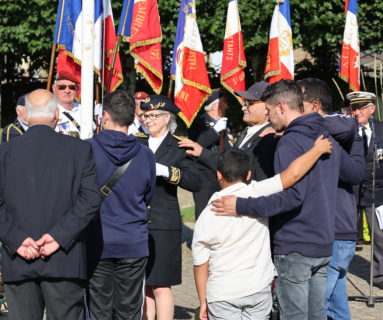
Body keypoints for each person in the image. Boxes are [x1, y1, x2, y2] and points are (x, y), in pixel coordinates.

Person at [212, 80, 342, 319]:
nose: (270, 118)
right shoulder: (325, 136)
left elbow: (290, 196)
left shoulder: (290, 142)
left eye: (270, 111)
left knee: (293, 315)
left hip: (296, 243)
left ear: (281, 107)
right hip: (323, 241)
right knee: (316, 315)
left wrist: (240, 205)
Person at [193, 138, 333, 320]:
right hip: (259, 287)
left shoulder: (207, 213)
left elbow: (200, 263)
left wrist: (203, 300)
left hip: (222, 292)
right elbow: (292, 174)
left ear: (219, 175)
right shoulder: (257, 192)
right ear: (249, 174)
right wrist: (317, 150)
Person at [0, 89, 100, 320]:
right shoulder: (79, 149)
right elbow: (90, 200)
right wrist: (57, 237)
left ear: (25, 115)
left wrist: (18, 239)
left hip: (20, 257)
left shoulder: (5, 152)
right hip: (63, 259)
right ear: (57, 114)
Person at [298, 78, 365, 319]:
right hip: (338, 230)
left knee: (317, 306)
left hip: (335, 230)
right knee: (336, 305)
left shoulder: (328, 132)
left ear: (315, 107)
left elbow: (354, 173)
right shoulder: (342, 129)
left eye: (299, 102)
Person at [86, 90, 156, 319]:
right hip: (132, 241)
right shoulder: (146, 155)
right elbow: (148, 196)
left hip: (98, 239)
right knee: (129, 311)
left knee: (99, 310)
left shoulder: (86, 150)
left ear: (105, 116)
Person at [136, 95, 201, 320]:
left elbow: (195, 181)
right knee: (143, 284)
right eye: (145, 115)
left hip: (164, 223)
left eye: (153, 116)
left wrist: (168, 172)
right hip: (137, 221)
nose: (148, 120)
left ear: (167, 118)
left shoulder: (179, 146)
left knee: (161, 285)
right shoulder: (137, 143)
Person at [179, 82, 278, 182]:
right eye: (245, 103)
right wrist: (201, 152)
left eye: (249, 103)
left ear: (267, 108)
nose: (243, 108)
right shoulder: (247, 131)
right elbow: (230, 164)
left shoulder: (271, 137)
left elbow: (263, 181)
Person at [349, 90, 383, 288]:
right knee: (344, 236)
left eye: (361, 108)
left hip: (377, 192)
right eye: (354, 108)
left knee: (380, 236)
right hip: (349, 193)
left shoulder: (381, 130)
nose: (357, 112)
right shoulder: (345, 130)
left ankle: (379, 277)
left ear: (372, 109)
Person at [187, 88, 231, 219]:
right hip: (204, 176)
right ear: (215, 106)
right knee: (204, 214)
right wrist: (214, 131)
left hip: (222, 174)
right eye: (223, 102)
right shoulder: (198, 122)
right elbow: (196, 145)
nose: (227, 106)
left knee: (221, 213)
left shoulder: (225, 123)